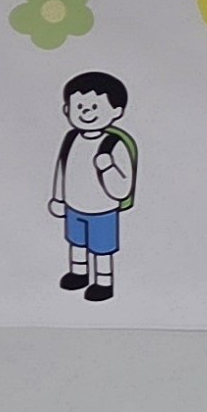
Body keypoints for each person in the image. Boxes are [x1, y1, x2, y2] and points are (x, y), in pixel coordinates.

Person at [46, 70, 138, 302]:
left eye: (95, 107)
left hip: (102, 209)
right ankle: (79, 272)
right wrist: (58, 198)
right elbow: (61, 169)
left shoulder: (113, 144)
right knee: (76, 242)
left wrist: (107, 168)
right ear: (67, 109)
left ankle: (103, 281)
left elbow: (123, 189)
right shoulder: (70, 139)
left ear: (116, 112)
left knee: (102, 248)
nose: (86, 112)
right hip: (73, 206)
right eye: (79, 106)